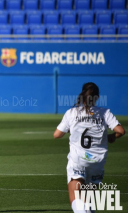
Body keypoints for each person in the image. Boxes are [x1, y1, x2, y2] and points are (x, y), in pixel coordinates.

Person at [53, 82, 125, 213]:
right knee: (88, 198)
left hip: (78, 160)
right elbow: (121, 130)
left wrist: (72, 130)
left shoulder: (72, 112)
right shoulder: (105, 113)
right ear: (97, 97)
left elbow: (57, 135)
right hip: (97, 161)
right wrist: (113, 136)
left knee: (75, 194)